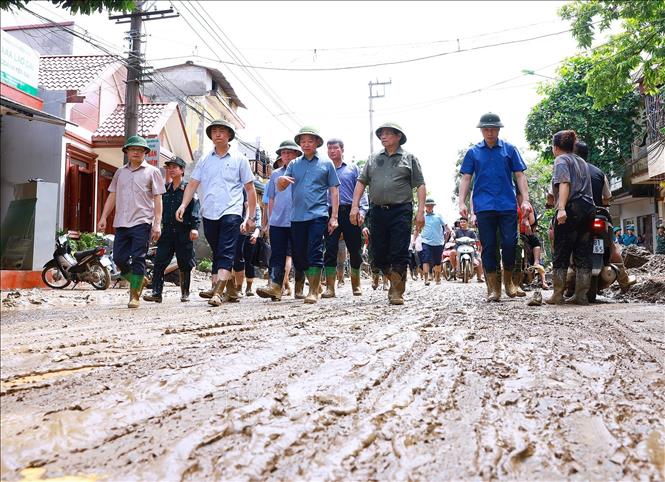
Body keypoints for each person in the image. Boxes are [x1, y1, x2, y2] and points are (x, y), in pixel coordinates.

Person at [176, 119, 256, 307]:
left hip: (232, 211)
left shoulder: (240, 159)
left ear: (229, 136)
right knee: (218, 249)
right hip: (209, 211)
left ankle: (217, 291)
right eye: (214, 131)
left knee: (227, 249)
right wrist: (183, 205)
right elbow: (193, 184)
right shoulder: (204, 160)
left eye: (222, 131)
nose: (218, 134)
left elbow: (250, 189)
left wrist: (250, 217)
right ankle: (230, 289)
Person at [458, 112, 532, 302]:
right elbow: (466, 177)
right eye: (486, 129)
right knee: (489, 246)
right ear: (481, 130)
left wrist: (525, 200)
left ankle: (509, 283)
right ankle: (493, 288)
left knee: (510, 244)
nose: (489, 132)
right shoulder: (473, 152)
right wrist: (462, 202)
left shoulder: (510, 149)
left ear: (498, 130)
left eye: (493, 129)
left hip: (507, 205)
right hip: (483, 206)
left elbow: (520, 175)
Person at [351, 121, 426, 305]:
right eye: (381, 134)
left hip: (401, 209)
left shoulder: (410, 158)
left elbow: (420, 184)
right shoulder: (373, 159)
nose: (383, 136)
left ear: (398, 136)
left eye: (387, 133)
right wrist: (354, 206)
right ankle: (390, 278)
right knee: (378, 253)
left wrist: (421, 212)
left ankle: (397, 290)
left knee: (399, 250)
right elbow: (362, 182)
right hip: (377, 210)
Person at [98, 135, 165, 308]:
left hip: (142, 222)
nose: (136, 152)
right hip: (121, 222)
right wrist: (104, 216)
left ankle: (134, 296)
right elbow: (112, 195)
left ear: (145, 152)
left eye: (140, 149)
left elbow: (158, 199)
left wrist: (157, 223)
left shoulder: (153, 172)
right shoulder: (120, 172)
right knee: (119, 258)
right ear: (127, 151)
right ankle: (139, 281)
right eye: (132, 149)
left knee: (138, 258)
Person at [276, 127, 340, 304]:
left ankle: (312, 291)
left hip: (318, 214)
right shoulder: (294, 164)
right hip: (297, 216)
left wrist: (334, 217)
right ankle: (315, 283)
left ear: (317, 143)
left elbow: (334, 191)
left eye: (309, 141)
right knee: (299, 255)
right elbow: (281, 187)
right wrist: (280, 181)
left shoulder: (326, 164)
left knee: (315, 250)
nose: (306, 144)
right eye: (303, 141)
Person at [573, 140, 635, 292]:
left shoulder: (569, 171)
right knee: (612, 246)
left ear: (573, 155)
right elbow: (607, 197)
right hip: (600, 215)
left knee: (565, 244)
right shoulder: (599, 172)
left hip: (577, 216)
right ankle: (624, 280)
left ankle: (559, 285)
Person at [546, 130, 595, 305]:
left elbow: (564, 183)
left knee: (561, 252)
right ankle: (581, 295)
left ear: (555, 147)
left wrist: (561, 209)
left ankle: (558, 294)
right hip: (589, 209)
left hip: (572, 208)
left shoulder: (561, 160)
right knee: (583, 252)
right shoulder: (581, 160)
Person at [143, 156, 200, 303]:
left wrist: (194, 228)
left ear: (182, 170)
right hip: (167, 231)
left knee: (184, 263)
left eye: (175, 167)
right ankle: (156, 293)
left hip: (184, 231)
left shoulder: (188, 189)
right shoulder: (165, 189)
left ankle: (185, 293)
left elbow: (195, 209)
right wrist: (156, 226)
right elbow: (158, 209)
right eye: (169, 167)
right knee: (159, 261)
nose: (171, 170)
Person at [322, 138, 368, 298]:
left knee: (355, 249)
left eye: (335, 148)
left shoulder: (353, 168)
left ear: (342, 150)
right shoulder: (324, 169)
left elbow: (361, 190)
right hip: (329, 213)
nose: (332, 151)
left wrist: (362, 210)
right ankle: (330, 287)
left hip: (351, 212)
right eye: (329, 149)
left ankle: (356, 284)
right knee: (330, 248)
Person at [257, 140, 303, 301]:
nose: (286, 155)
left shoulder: (302, 172)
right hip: (278, 221)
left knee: (299, 254)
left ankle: (299, 286)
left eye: (290, 152)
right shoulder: (276, 174)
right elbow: (270, 199)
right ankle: (275, 287)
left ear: (297, 154)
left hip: (298, 220)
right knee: (276, 255)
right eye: (283, 153)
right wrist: (270, 220)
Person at [419, 198, 448, 285]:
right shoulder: (422, 216)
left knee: (437, 261)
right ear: (425, 206)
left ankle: (438, 277)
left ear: (433, 206)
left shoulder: (438, 216)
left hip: (438, 242)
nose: (430, 207)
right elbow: (417, 228)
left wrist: (450, 231)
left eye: (431, 205)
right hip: (426, 241)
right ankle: (426, 279)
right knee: (425, 260)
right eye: (428, 205)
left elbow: (446, 225)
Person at [450, 217, 484, 282]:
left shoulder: (471, 232)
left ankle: (479, 276)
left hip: (470, 248)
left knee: (479, 260)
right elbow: (453, 237)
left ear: (467, 223)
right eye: (461, 222)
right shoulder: (457, 231)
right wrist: (452, 239)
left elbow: (475, 239)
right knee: (452, 252)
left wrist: (476, 241)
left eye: (464, 222)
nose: (462, 223)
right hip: (458, 247)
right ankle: (454, 268)